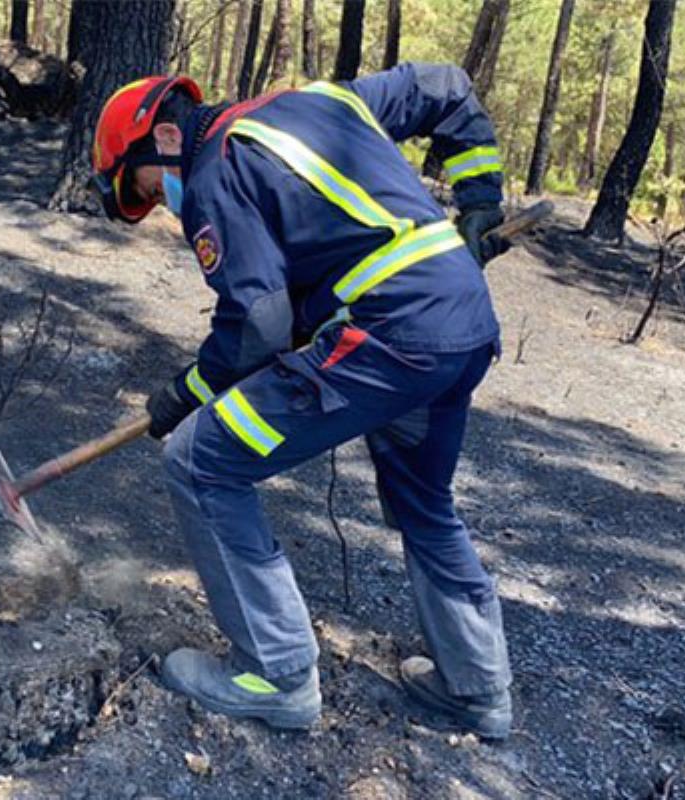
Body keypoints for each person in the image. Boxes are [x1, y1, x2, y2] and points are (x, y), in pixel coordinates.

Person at [90, 65, 513, 739]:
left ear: (165, 138)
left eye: (145, 188)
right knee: (422, 498)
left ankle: (275, 674)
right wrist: (480, 196)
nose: (163, 205)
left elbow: (257, 325)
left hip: (389, 340)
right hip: (462, 330)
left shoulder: (213, 170)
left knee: (202, 460)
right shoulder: (321, 102)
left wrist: (183, 396)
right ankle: (479, 689)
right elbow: (446, 86)